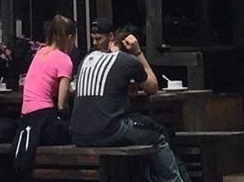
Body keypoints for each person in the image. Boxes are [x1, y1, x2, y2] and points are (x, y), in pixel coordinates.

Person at [69, 25, 182, 182]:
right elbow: (153, 87)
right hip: (108, 131)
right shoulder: (126, 60)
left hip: (77, 134)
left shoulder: (88, 59)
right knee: (157, 135)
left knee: (140, 129)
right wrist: (138, 53)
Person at [9, 15, 76, 177]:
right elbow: (61, 104)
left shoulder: (40, 53)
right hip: (45, 120)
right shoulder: (64, 60)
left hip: (26, 119)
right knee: (75, 131)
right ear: (69, 37)